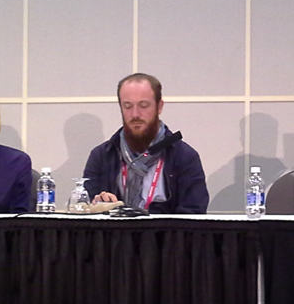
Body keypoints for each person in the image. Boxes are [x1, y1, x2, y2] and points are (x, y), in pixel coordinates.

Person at [83, 73, 209, 214]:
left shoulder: (184, 157)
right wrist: (97, 206)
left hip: (166, 235)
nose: (135, 114)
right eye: (128, 106)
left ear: (159, 107)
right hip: (114, 235)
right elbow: (85, 212)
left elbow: (194, 217)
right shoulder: (102, 156)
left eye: (143, 105)